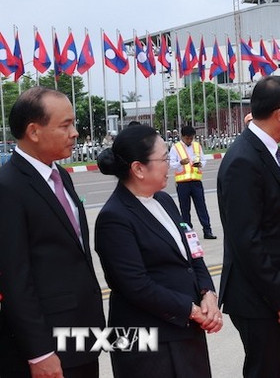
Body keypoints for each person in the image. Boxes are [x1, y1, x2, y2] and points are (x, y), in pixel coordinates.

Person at [94, 125, 222, 378]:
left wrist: (208, 294)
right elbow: (136, 285)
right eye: (164, 159)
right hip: (147, 344)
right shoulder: (114, 217)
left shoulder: (163, 200)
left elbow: (192, 253)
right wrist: (193, 311)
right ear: (138, 169)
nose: (171, 165)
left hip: (185, 331)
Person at [0, 87, 105, 378]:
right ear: (34, 131)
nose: (75, 133)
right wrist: (39, 352)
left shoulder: (58, 177)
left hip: (81, 333)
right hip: (48, 343)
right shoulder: (8, 187)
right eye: (65, 125)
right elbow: (14, 279)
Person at [217, 75, 280, 378]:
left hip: (276, 290)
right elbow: (247, 241)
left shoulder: (264, 151)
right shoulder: (244, 160)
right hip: (262, 299)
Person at [169, 125, 216, 239]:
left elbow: (203, 159)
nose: (189, 140)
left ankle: (207, 230)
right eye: (187, 138)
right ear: (182, 136)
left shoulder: (197, 146)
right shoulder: (176, 147)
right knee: (185, 209)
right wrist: (180, 162)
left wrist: (201, 164)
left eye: (191, 138)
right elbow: (171, 164)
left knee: (202, 207)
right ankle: (188, 232)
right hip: (182, 183)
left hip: (196, 182)